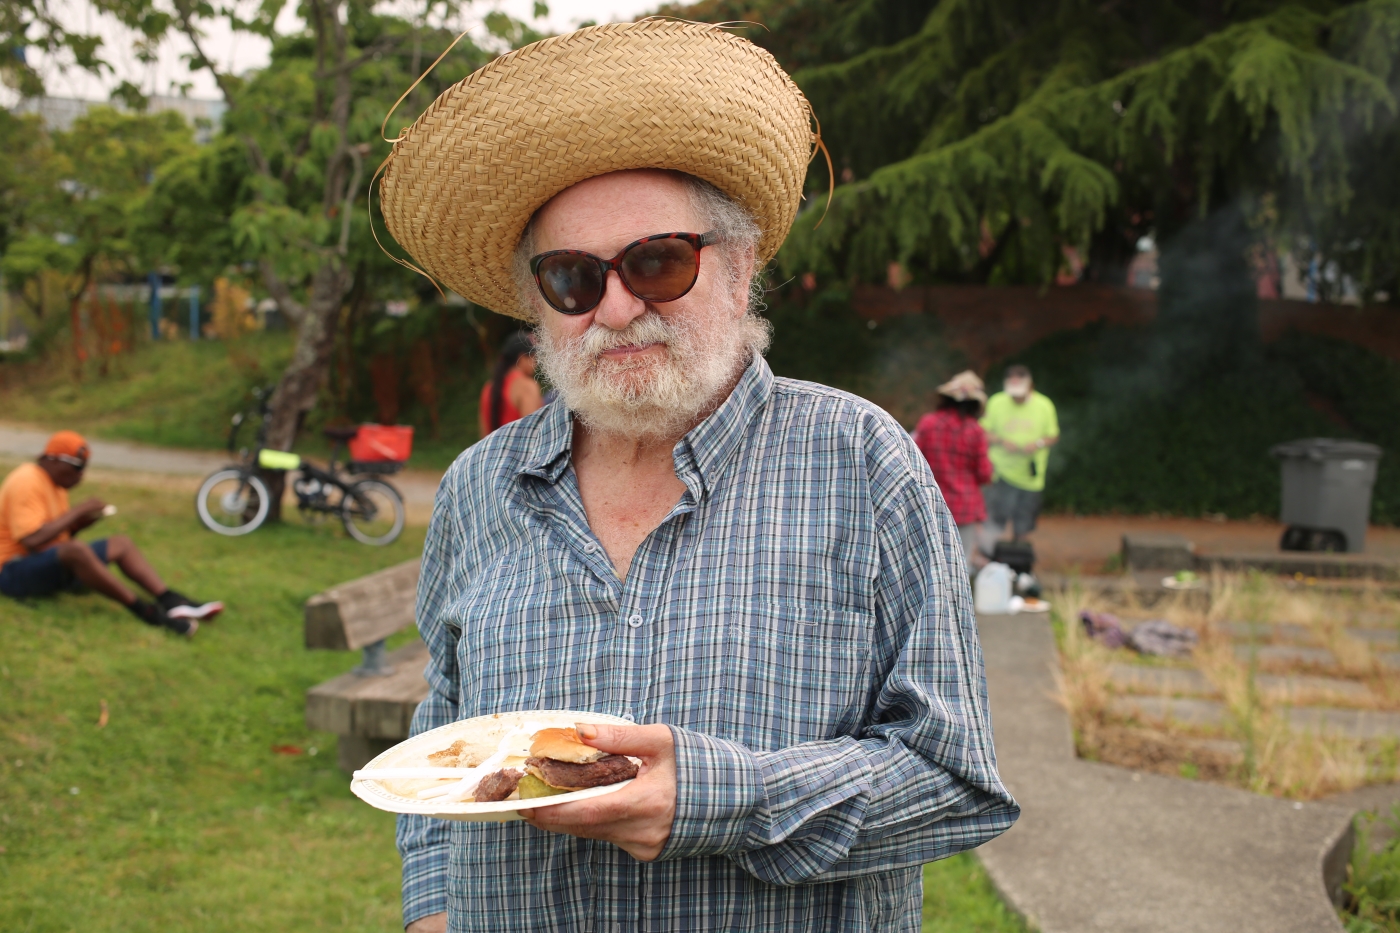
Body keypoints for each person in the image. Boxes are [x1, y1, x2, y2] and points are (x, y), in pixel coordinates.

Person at [379, 21, 1017, 933]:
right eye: (571, 278)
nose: (618, 306)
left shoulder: (863, 462)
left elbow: (955, 781)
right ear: (537, 305)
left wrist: (721, 797)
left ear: (741, 262)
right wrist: (432, 908)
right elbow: (439, 729)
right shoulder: (481, 487)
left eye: (658, 261)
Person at [0, 431, 222, 635]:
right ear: (54, 459)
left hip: (37, 563)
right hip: (10, 572)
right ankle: (146, 612)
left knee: (120, 543)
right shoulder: (27, 480)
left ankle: (170, 600)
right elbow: (32, 540)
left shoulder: (56, 485)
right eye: (78, 467)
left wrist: (77, 525)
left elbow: (54, 541)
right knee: (76, 551)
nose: (81, 476)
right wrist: (78, 510)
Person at [912, 371, 993, 573]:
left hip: (931, 503)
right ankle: (956, 604)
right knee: (959, 563)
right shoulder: (975, 431)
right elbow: (984, 473)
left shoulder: (928, 423)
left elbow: (912, 459)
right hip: (964, 507)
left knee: (929, 561)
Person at [979, 364, 1059, 555]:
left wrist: (1038, 443)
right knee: (994, 523)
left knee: (1023, 525)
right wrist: (1001, 441)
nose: (1015, 397)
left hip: (1030, 477)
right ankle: (989, 562)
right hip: (999, 473)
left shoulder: (1044, 405)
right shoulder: (997, 402)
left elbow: (1053, 435)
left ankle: (1019, 563)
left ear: (1029, 385)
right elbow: (982, 431)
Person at [478, 331, 544, 436]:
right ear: (522, 358)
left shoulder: (488, 388)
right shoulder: (527, 386)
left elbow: (484, 435)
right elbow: (533, 434)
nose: (535, 363)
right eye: (534, 357)